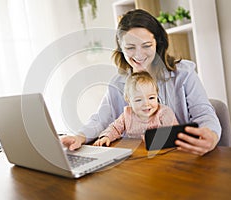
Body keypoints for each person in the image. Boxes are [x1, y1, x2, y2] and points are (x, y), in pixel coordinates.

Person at [61, 9, 221, 156]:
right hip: (139, 159)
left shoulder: (184, 73)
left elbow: (203, 113)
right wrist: (80, 137)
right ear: (121, 48)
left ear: (157, 43)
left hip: (180, 156)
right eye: (130, 47)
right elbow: (100, 119)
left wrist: (211, 135)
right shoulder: (117, 83)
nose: (139, 54)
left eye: (146, 45)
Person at [93, 71, 178, 147]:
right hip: (137, 152)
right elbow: (115, 128)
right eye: (138, 100)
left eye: (151, 98)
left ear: (157, 95)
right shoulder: (127, 115)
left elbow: (175, 133)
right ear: (129, 101)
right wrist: (106, 137)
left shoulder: (164, 112)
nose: (146, 104)